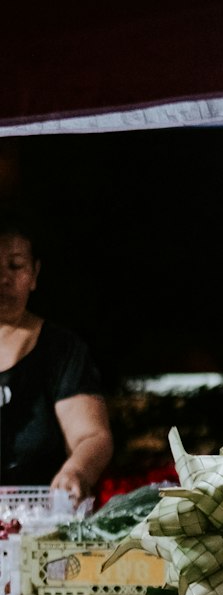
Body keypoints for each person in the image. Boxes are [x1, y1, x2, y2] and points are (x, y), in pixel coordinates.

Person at [0, 212, 113, 504]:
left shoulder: (61, 349)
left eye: (16, 266)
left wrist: (76, 471)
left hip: (39, 519)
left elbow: (92, 436)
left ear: (34, 275)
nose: (3, 279)